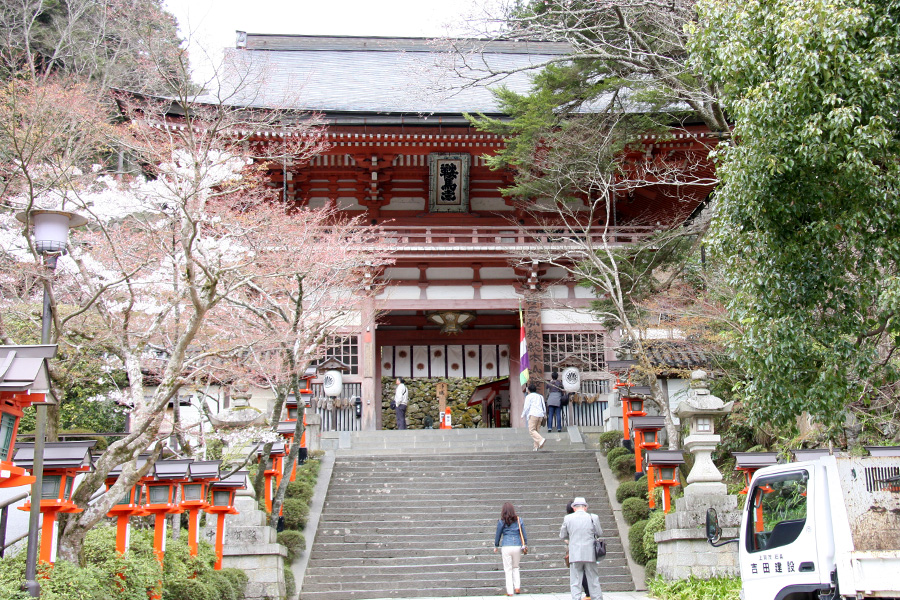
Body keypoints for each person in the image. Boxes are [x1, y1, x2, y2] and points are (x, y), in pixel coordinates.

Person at [560, 497, 604, 600]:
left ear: (574, 508)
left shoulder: (568, 518)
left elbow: (562, 535)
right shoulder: (593, 517)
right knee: (593, 580)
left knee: (575, 581)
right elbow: (599, 533)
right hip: (590, 553)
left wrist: (571, 538)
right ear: (585, 507)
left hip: (575, 554)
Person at [494, 502, 527, 596]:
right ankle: (517, 587)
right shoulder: (519, 520)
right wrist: (525, 543)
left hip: (506, 546)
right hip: (517, 545)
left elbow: (498, 534)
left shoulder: (501, 521)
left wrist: (496, 545)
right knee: (516, 567)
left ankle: (510, 591)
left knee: (508, 569)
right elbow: (523, 533)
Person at [566, 501, 592, 600]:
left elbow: (564, 535)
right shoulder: (588, 518)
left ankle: (584, 594)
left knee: (578, 574)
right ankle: (589, 593)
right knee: (587, 572)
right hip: (588, 549)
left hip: (575, 550)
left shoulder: (569, 519)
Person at [520, 383, 546, 451]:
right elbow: (543, 406)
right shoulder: (540, 396)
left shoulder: (529, 397)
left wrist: (522, 415)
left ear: (529, 390)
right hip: (540, 415)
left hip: (533, 414)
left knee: (531, 430)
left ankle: (541, 440)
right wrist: (544, 414)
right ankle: (535, 447)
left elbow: (526, 407)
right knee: (536, 431)